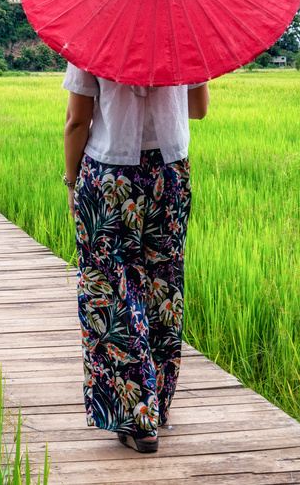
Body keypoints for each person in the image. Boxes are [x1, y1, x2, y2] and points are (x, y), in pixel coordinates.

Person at [62, 63, 209, 453]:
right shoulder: (185, 36)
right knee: (163, 286)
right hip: (170, 174)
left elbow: (78, 121)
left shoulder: (93, 36)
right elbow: (199, 108)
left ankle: (137, 420)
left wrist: (71, 179)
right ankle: (156, 405)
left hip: (109, 175)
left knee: (112, 292)